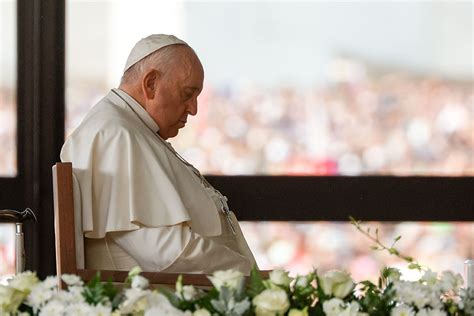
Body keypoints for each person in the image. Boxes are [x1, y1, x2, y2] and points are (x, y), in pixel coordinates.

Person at [61, 34, 257, 274]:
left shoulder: (133, 129)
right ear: (151, 83)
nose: (193, 109)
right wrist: (246, 273)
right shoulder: (114, 134)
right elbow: (165, 252)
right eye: (187, 94)